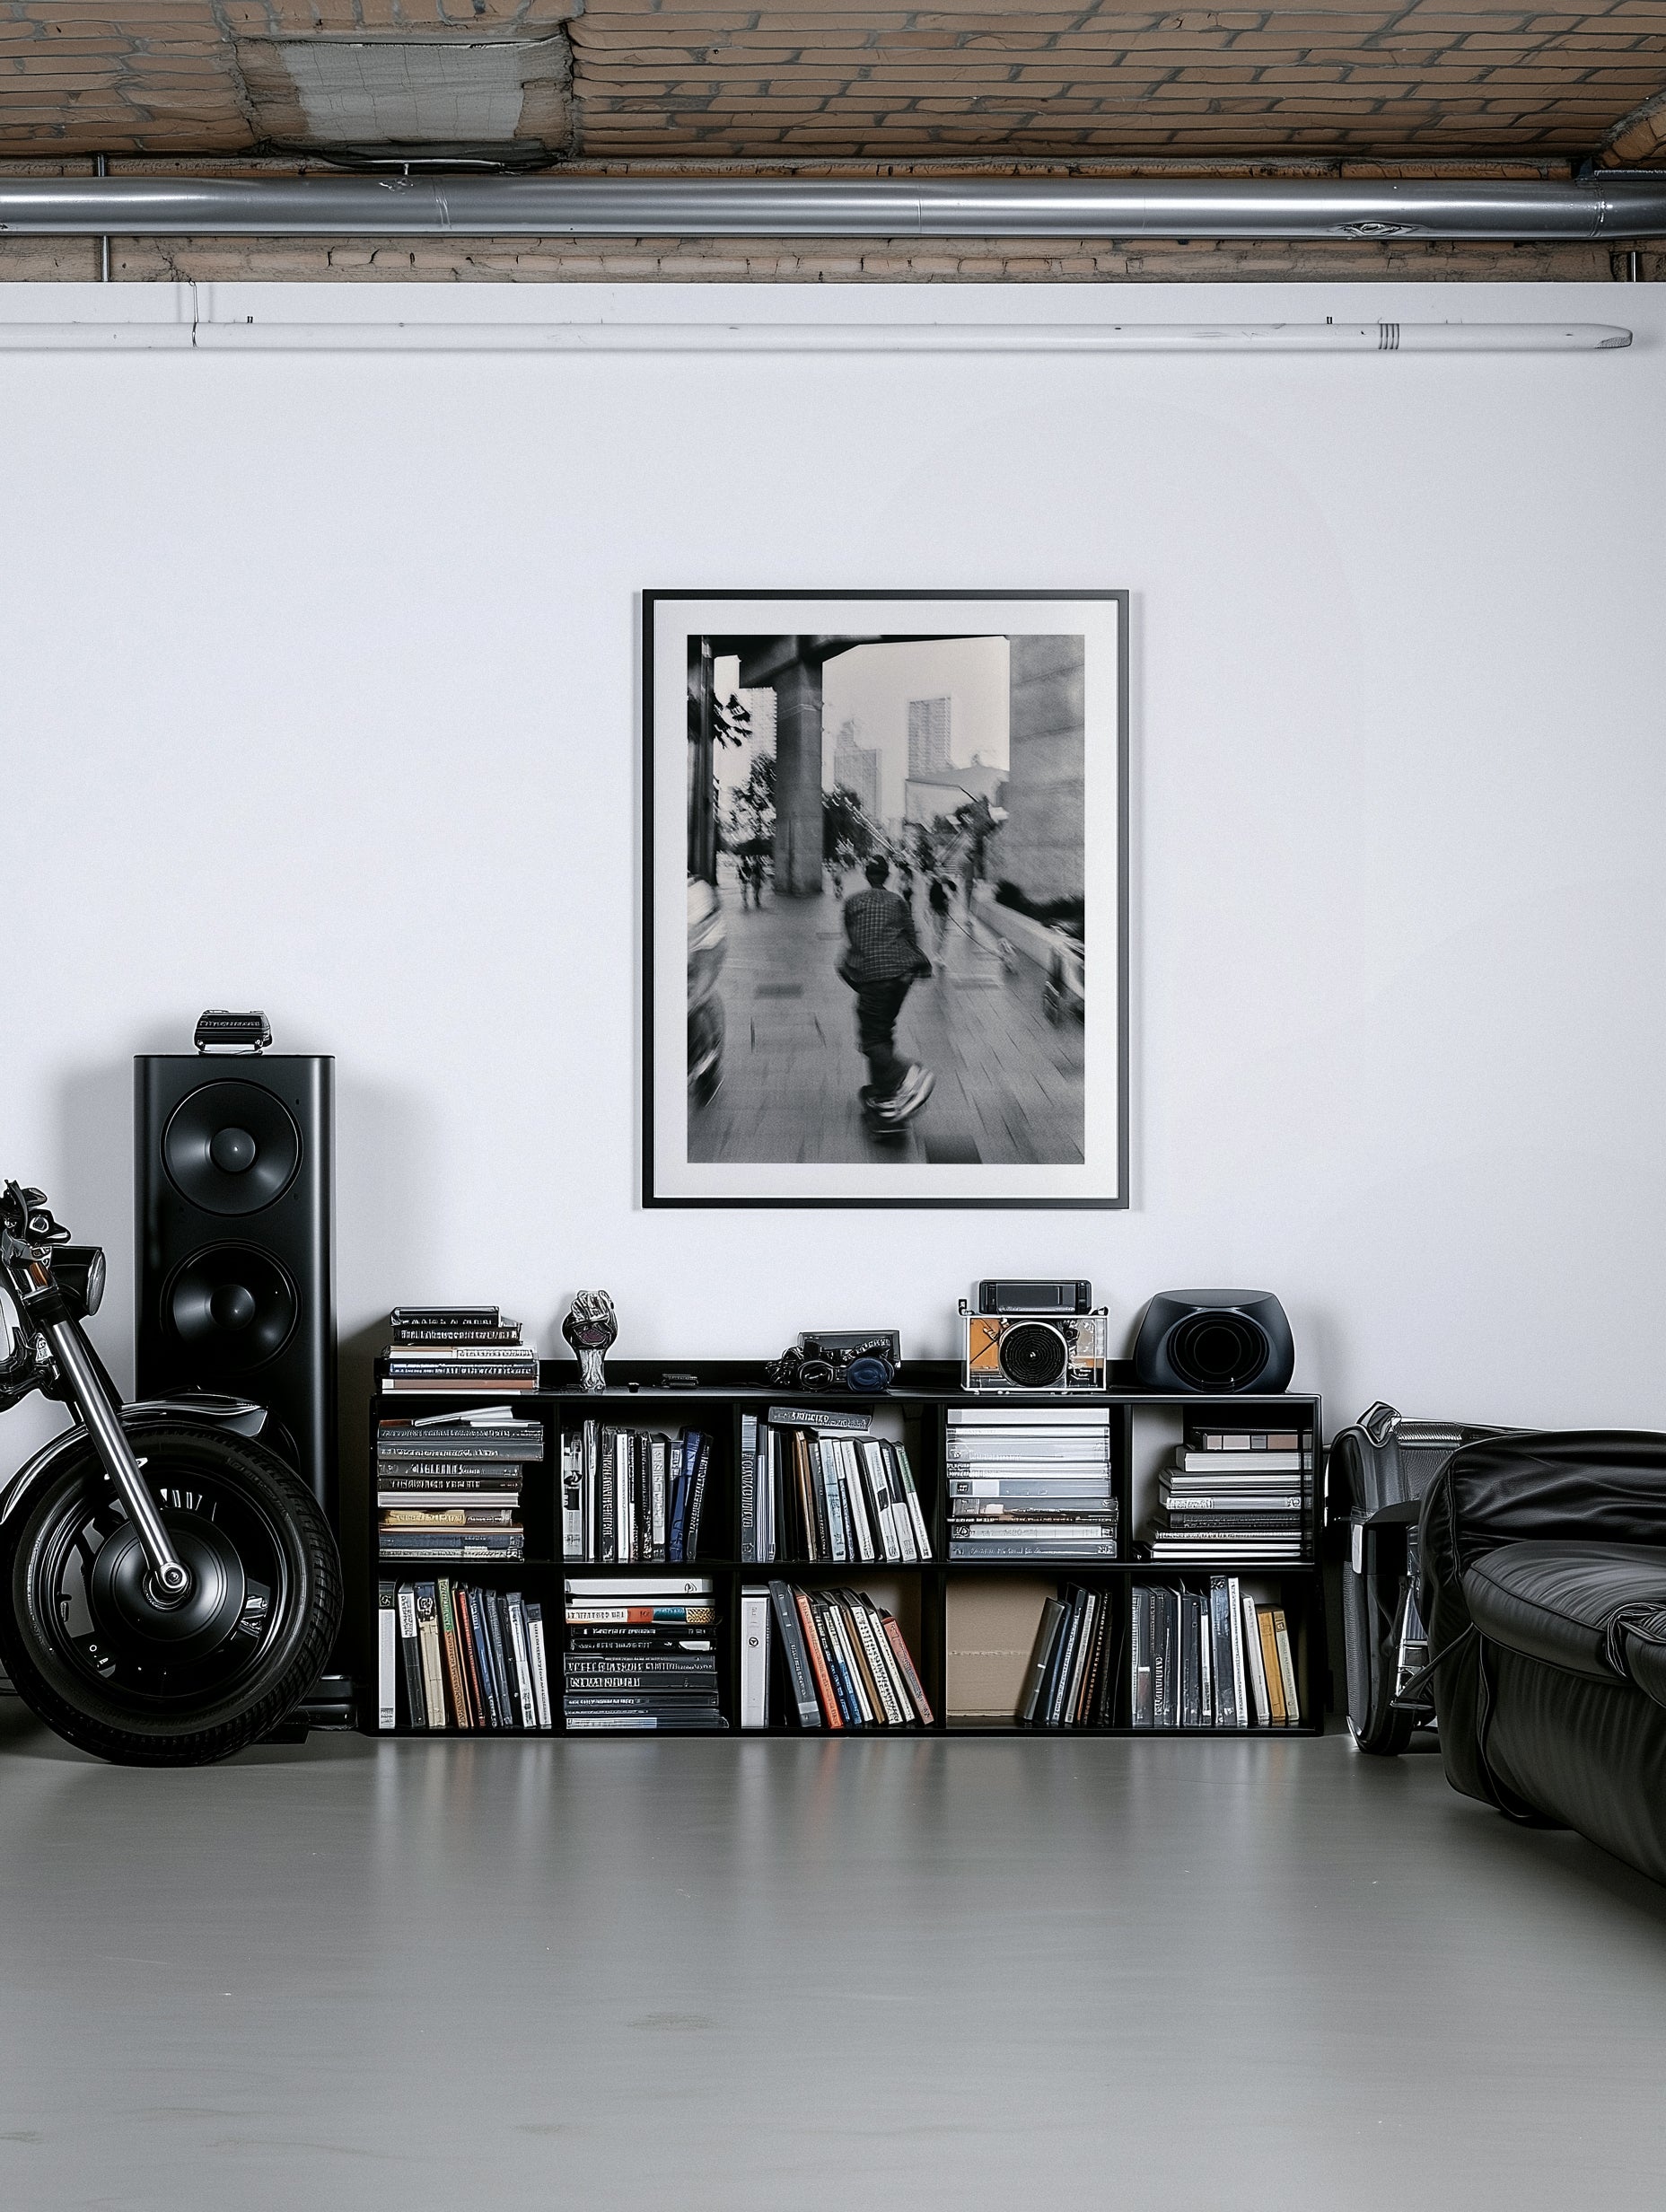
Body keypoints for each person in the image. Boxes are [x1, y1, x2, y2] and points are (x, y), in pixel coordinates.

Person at [837, 856, 934, 1123]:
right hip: (902, 975)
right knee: (883, 1032)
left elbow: (853, 940)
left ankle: (909, 1075)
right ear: (887, 875)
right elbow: (912, 937)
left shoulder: (853, 902)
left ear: (868, 875)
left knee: (871, 1039)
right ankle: (883, 1095)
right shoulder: (898, 902)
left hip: (875, 975)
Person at [928, 873, 951, 957]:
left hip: (937, 912)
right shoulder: (943, 888)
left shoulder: (935, 886)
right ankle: (938, 953)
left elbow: (931, 899)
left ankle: (936, 952)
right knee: (941, 933)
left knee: (937, 933)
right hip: (942, 913)